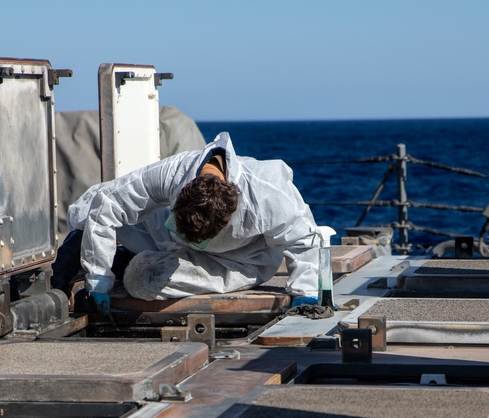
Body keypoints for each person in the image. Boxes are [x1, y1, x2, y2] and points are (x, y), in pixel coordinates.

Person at [52, 132, 321, 313]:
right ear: (181, 193)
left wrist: (305, 292)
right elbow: (108, 204)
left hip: (238, 260)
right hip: (168, 241)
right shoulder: (173, 173)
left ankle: (122, 263)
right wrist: (98, 278)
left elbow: (303, 239)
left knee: (141, 279)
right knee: (90, 206)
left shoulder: (268, 193)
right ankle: (81, 267)